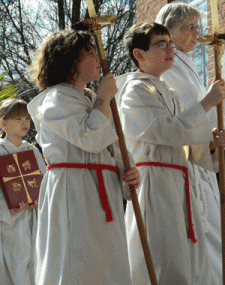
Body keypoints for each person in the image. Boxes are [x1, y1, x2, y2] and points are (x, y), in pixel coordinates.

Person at [27, 29, 140, 285]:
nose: (99, 59)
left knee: (106, 265)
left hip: (101, 190)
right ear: (69, 61)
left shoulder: (90, 99)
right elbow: (90, 139)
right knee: (76, 263)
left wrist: (127, 171)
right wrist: (104, 97)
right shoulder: (55, 100)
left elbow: (111, 144)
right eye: (90, 53)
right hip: (73, 190)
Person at [116, 22, 225, 284]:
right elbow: (165, 132)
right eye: (161, 44)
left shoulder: (170, 92)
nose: (170, 49)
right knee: (164, 257)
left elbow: (182, 142)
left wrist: (208, 144)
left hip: (180, 179)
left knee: (190, 259)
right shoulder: (134, 90)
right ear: (139, 55)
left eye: (170, 43)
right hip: (155, 183)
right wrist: (207, 102)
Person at [156, 1, 222, 284]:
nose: (197, 33)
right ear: (171, 30)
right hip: (186, 164)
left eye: (198, 27)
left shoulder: (187, 65)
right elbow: (180, 118)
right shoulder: (169, 70)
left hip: (202, 164)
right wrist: (206, 141)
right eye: (190, 27)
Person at [0, 98, 46, 285]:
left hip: (32, 218)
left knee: (35, 264)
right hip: (9, 221)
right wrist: (8, 207)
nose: (24, 123)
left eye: (27, 118)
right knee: (14, 266)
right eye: (18, 119)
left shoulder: (32, 151)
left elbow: (44, 183)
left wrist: (39, 200)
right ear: (3, 123)